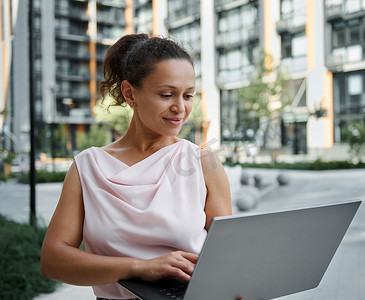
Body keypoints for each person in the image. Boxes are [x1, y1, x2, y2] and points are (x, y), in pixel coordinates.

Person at [40, 34, 232, 299]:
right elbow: (52, 263)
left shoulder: (204, 163)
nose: (180, 108)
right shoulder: (88, 167)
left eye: (188, 95)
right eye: (167, 94)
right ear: (130, 93)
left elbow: (229, 258)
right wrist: (140, 267)